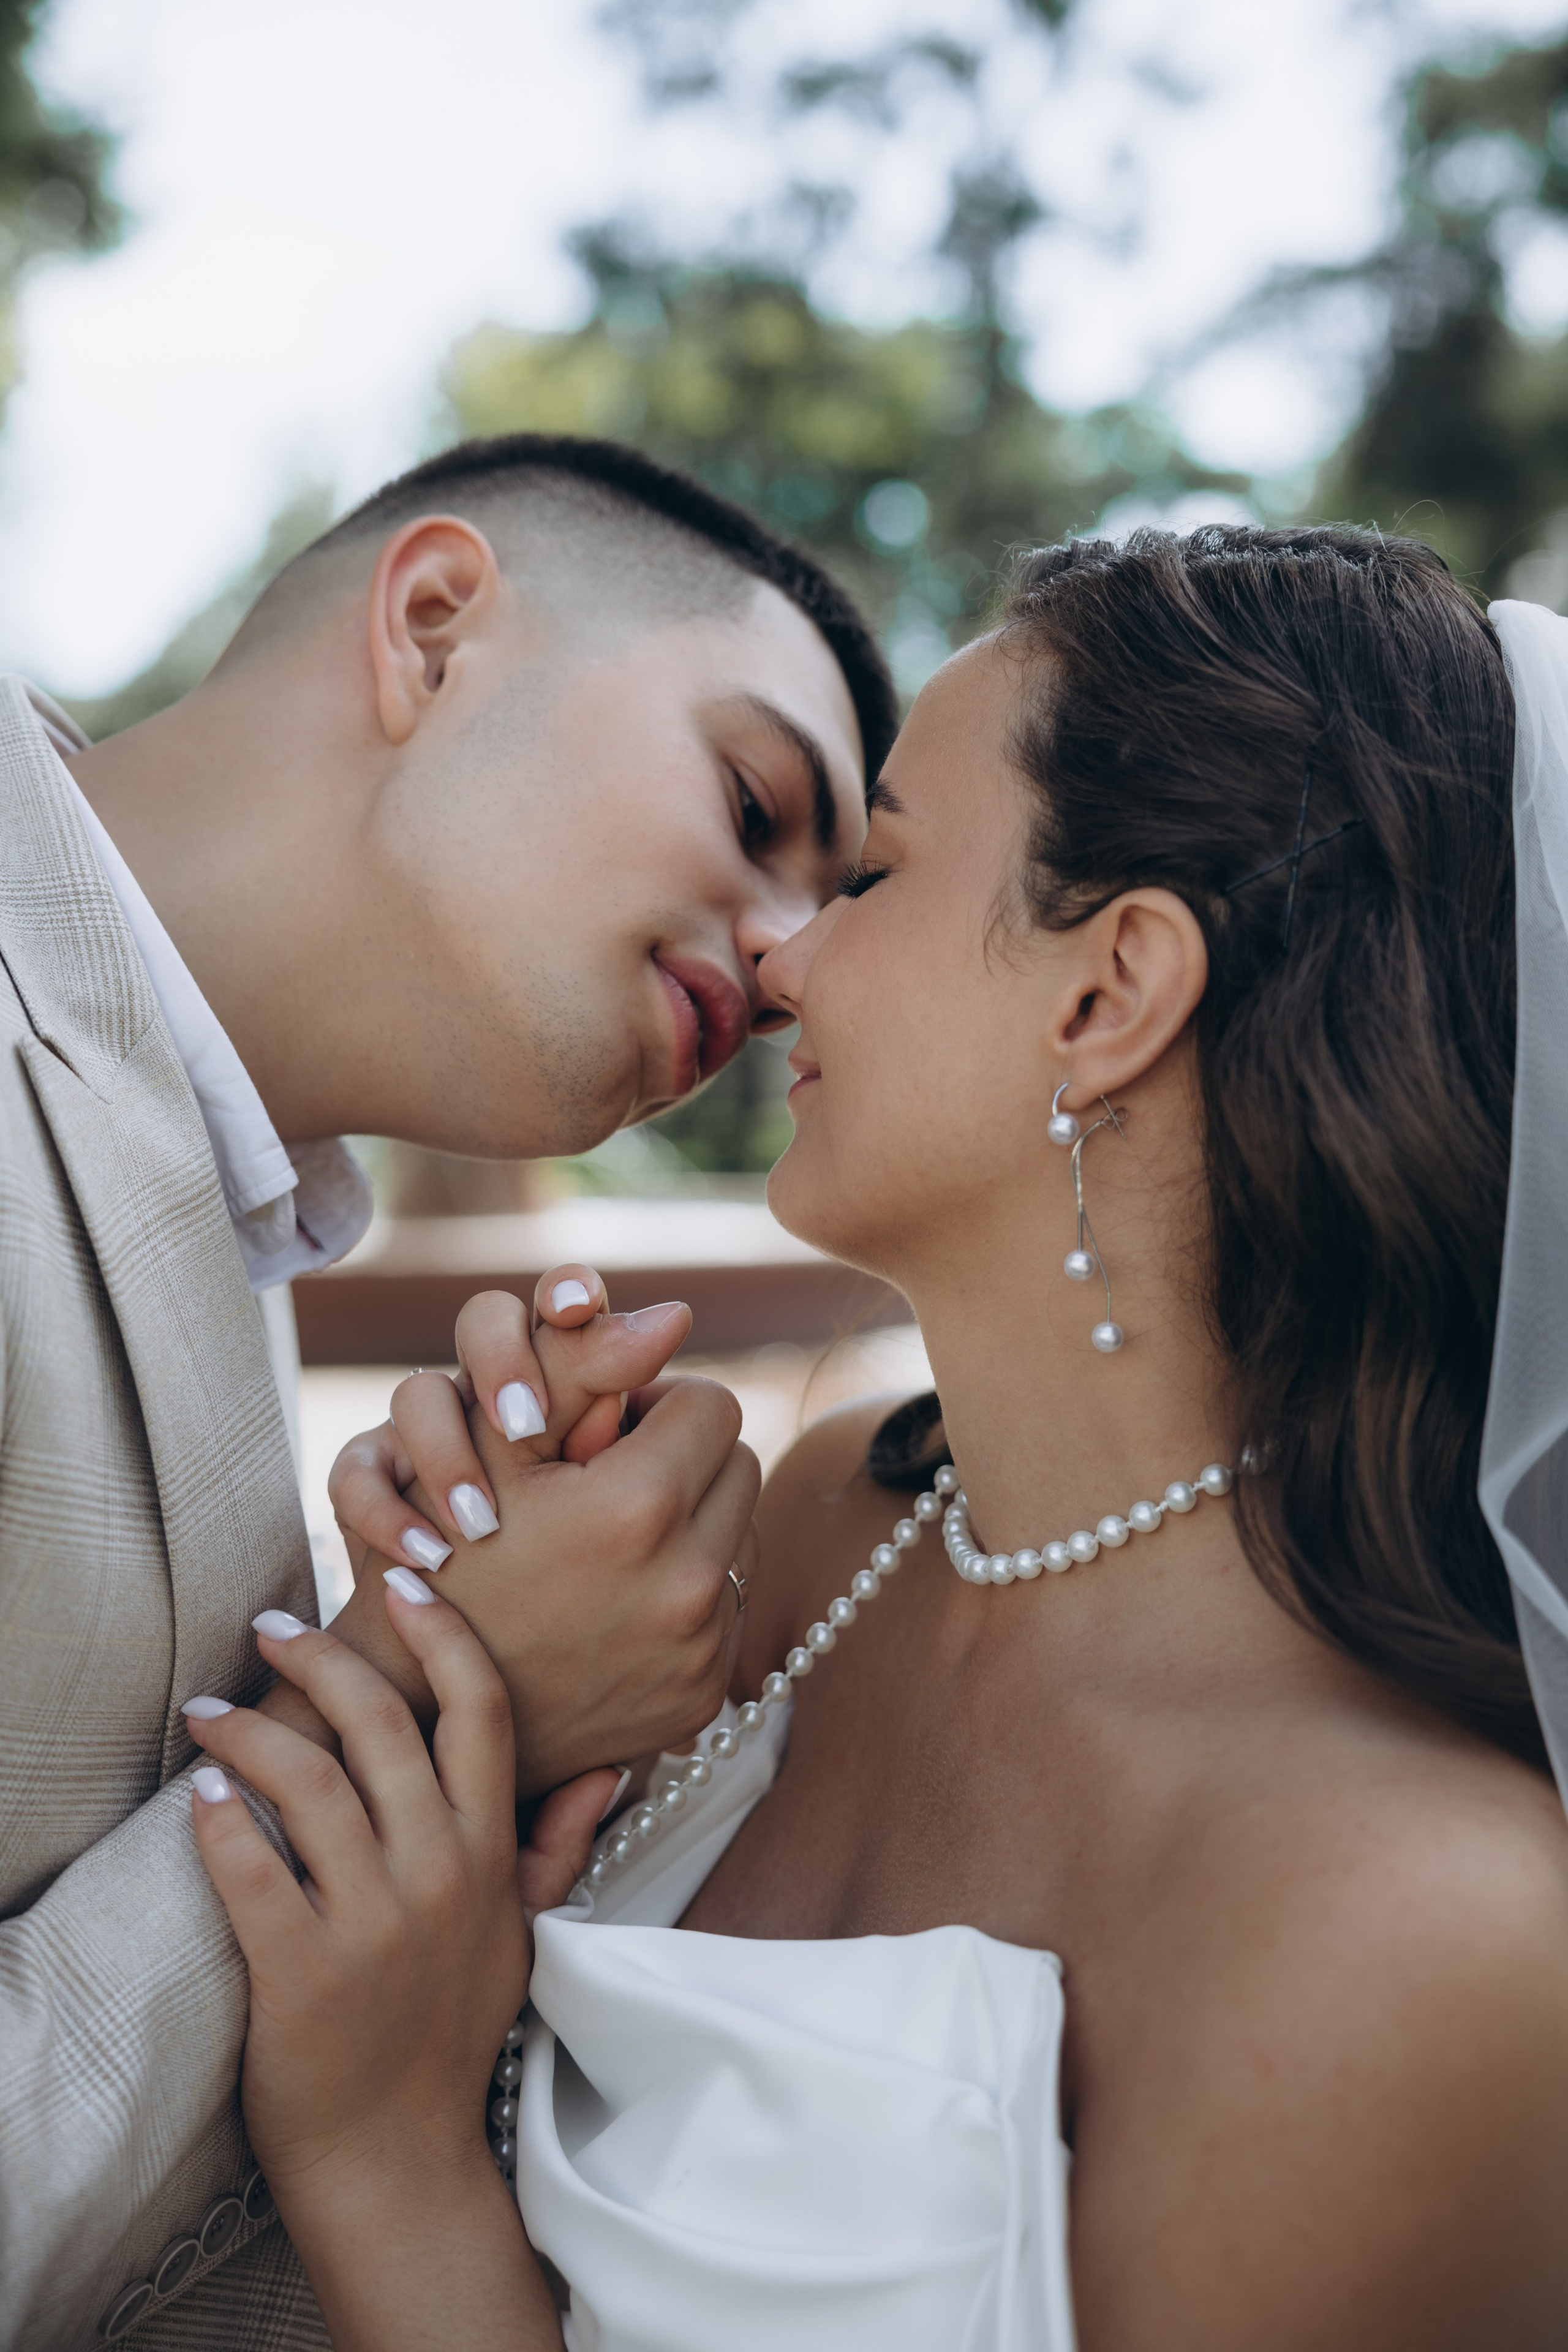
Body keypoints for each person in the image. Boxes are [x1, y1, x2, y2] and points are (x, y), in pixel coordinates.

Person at [186, 526, 1568, 2350]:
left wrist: (385, 2156)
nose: (785, 962)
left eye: (879, 870)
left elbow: (402, 2124)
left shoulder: (1424, 1937)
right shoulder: (826, 1521)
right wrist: (470, 1664)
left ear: (1109, 994)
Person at [0, 432, 895, 2350]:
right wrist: (433, 1700)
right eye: (756, 803)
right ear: (429, 626)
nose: (791, 965)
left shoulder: (216, 1207)